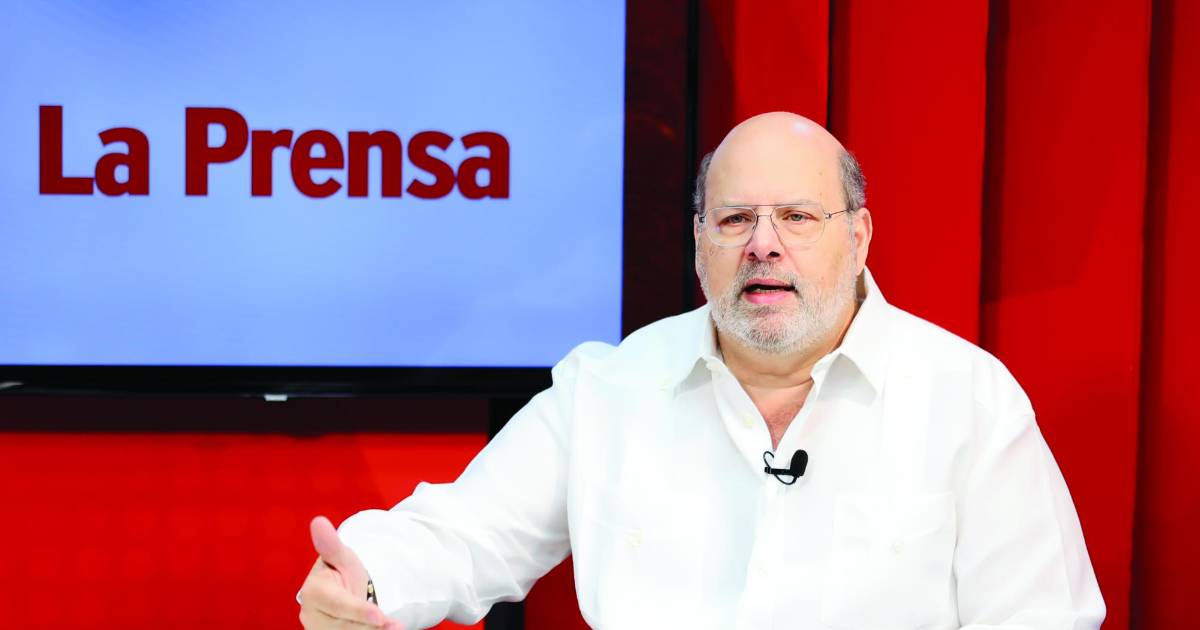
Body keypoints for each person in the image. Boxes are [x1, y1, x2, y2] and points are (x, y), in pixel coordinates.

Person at [297, 112, 1105, 630]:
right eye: (734, 219)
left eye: (796, 217)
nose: (763, 245)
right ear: (698, 243)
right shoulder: (609, 390)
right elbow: (465, 531)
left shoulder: (968, 399)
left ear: (858, 238)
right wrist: (370, 579)